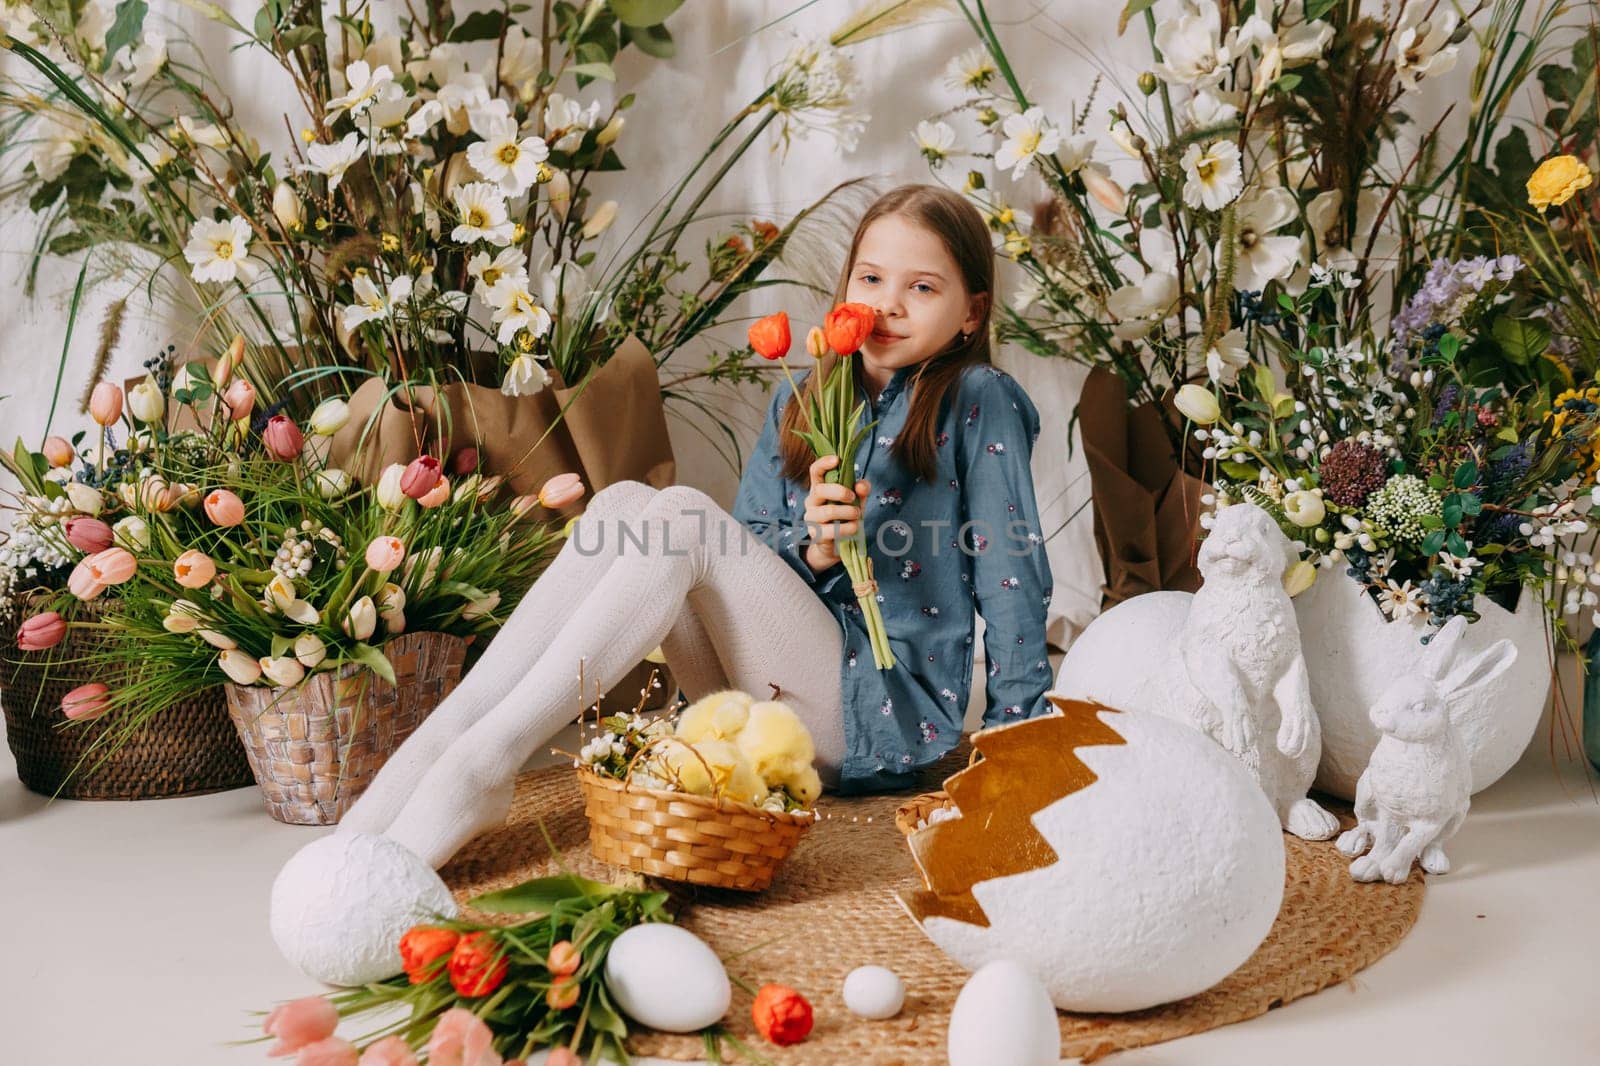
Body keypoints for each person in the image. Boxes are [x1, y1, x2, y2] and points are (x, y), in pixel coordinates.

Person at [332, 183, 1054, 871]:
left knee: (679, 516)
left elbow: (1011, 568)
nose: (888, 305)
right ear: (845, 292)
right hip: (765, 704)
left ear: (971, 313)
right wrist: (818, 550)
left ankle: (486, 765)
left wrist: (1025, 744)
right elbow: (746, 548)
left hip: (879, 722)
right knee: (621, 507)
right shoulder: (803, 398)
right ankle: (449, 742)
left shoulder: (976, 398)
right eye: (870, 280)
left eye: (922, 288)